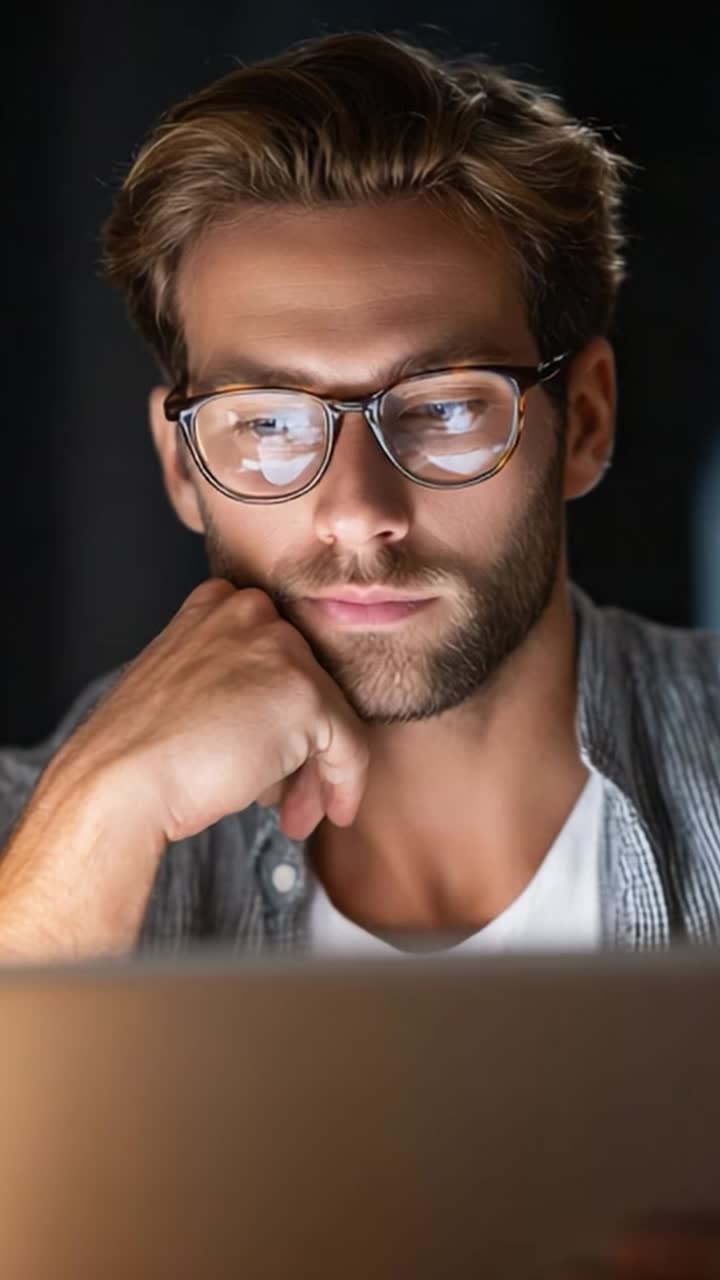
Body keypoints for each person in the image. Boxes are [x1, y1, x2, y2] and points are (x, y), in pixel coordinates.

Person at [0, 30, 718, 962]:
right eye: (266, 423)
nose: (356, 508)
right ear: (182, 466)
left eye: (446, 407)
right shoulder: (34, 845)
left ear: (583, 422)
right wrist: (94, 824)